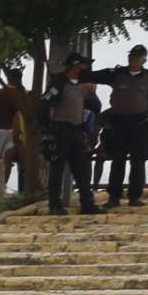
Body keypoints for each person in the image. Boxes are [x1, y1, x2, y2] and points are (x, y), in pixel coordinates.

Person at [89, 45, 148, 209]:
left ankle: (135, 195)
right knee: (118, 160)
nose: (133, 60)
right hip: (119, 122)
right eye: (131, 57)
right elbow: (95, 76)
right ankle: (114, 196)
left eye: (137, 58)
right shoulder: (117, 73)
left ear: (143, 60)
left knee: (138, 161)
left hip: (140, 123)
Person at [41, 52, 101, 216]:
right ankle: (54, 205)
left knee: (82, 168)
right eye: (83, 65)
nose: (86, 68)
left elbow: (96, 106)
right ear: (75, 65)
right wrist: (47, 131)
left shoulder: (82, 84)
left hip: (76, 130)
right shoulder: (59, 83)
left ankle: (87, 204)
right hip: (60, 129)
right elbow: (44, 103)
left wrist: (92, 92)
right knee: (57, 168)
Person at [0, 70, 24, 174]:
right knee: (7, 160)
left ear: (8, 78)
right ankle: (2, 186)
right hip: (15, 132)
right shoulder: (22, 94)